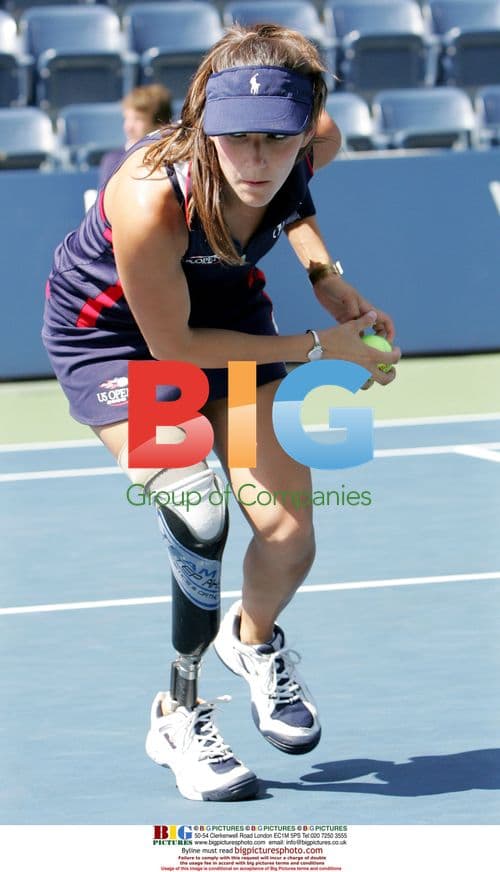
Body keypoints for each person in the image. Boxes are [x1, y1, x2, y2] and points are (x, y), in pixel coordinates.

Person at [42, 24, 400, 803]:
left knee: (288, 533)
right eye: (237, 140)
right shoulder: (147, 199)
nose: (258, 161)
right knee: (199, 511)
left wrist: (325, 277)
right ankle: (178, 714)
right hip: (119, 342)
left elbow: (292, 202)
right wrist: (323, 346)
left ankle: (255, 641)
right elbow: (174, 352)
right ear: (204, 124)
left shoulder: (310, 142)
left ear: (308, 126)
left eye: (279, 138)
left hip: (226, 313)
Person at [98, 83, 173, 187]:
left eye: (138, 119)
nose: (128, 127)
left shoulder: (173, 161)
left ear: (161, 123)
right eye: (127, 118)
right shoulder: (112, 161)